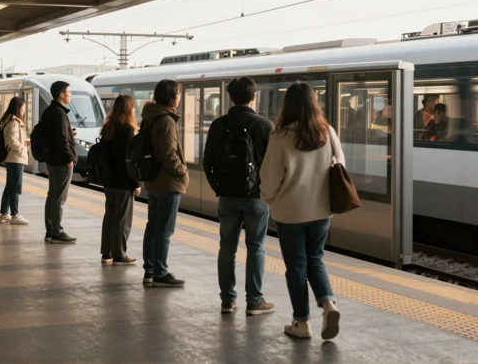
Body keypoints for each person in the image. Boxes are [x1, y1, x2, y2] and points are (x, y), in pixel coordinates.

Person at [259, 82, 342, 340]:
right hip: (322, 210)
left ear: (287, 106)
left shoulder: (280, 137)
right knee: (315, 259)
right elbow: (340, 164)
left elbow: (270, 179)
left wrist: (267, 198)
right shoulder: (327, 132)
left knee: (296, 266)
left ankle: (301, 322)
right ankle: (328, 305)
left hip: (290, 212)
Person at [203, 77, 275, 314]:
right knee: (256, 247)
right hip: (256, 197)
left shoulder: (218, 125)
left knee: (227, 247)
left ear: (230, 97)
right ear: (253, 97)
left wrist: (218, 187)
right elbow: (273, 164)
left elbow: (207, 162)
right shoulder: (265, 126)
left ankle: (227, 299)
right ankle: (254, 301)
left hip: (227, 197)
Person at [141, 79, 188, 287]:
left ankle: (150, 270)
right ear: (170, 96)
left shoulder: (149, 117)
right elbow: (169, 154)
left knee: (152, 227)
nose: (179, 97)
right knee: (164, 230)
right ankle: (160, 272)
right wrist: (183, 171)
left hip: (153, 181)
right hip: (168, 182)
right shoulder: (167, 120)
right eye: (178, 93)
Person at [99, 95, 140, 265]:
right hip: (123, 182)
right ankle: (119, 255)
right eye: (133, 107)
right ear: (129, 109)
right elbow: (129, 160)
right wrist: (136, 183)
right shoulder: (127, 130)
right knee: (122, 219)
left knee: (110, 217)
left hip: (109, 181)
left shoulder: (108, 128)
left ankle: (107, 253)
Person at [42, 81, 78, 244]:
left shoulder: (49, 111)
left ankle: (50, 231)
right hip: (61, 161)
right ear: (62, 94)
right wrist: (69, 157)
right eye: (69, 92)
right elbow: (62, 139)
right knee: (59, 198)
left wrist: (69, 133)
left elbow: (55, 135)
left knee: (52, 196)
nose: (71, 95)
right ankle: (57, 231)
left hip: (52, 160)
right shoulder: (60, 113)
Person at [0, 97, 31, 225]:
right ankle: (15, 215)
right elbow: (12, 141)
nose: (24, 110)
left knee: (10, 187)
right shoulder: (14, 122)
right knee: (16, 188)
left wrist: (23, 143)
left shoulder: (10, 120)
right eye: (23, 107)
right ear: (18, 108)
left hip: (12, 158)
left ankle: (4, 214)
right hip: (15, 158)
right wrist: (22, 147)